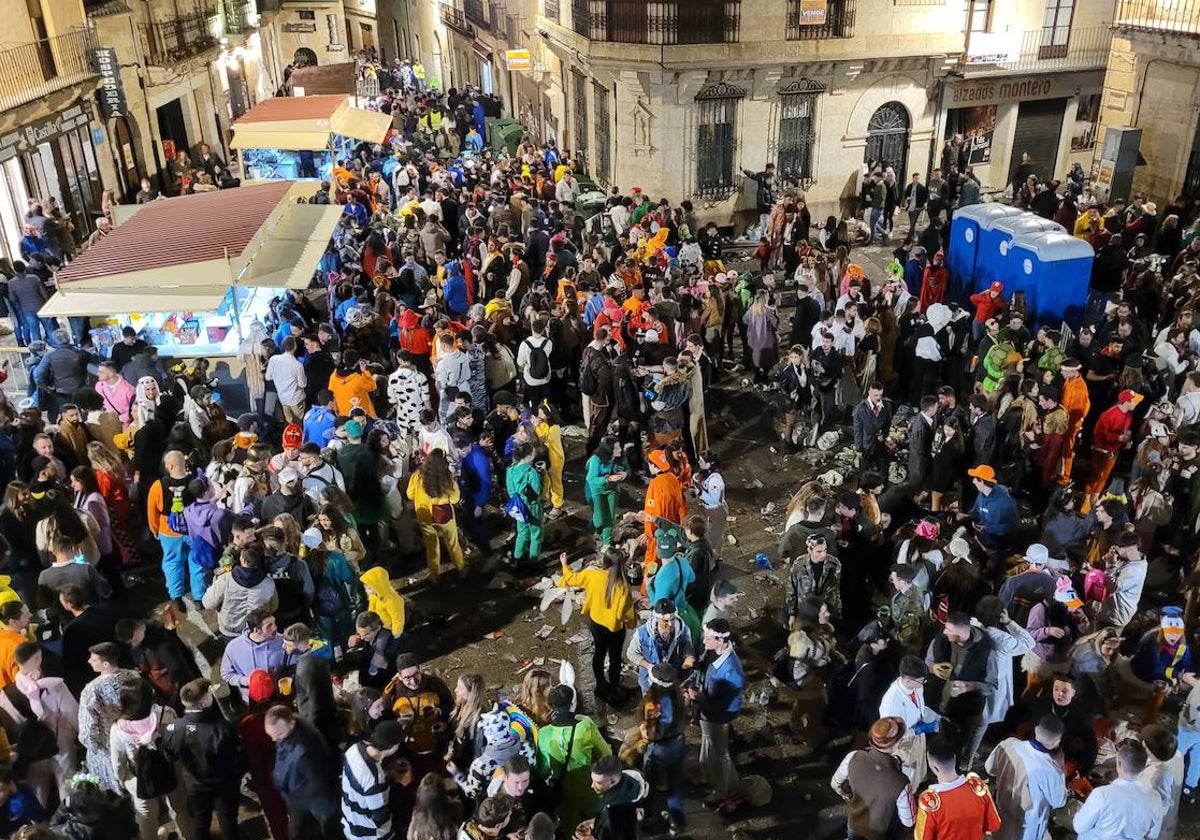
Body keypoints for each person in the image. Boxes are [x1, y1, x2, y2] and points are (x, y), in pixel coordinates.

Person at [161, 678, 243, 840]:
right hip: (223, 783)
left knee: (201, 823)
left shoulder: (175, 728)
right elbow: (236, 756)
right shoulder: (221, 728)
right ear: (204, 701)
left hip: (195, 785)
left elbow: (169, 754)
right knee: (228, 823)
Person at [557, 549, 636, 704]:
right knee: (615, 658)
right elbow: (625, 614)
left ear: (604, 562)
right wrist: (632, 622)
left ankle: (600, 685)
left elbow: (571, 579)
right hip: (615, 629)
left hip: (597, 624)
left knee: (599, 653)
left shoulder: (593, 576)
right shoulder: (623, 587)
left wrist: (564, 566)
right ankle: (614, 688)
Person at [686, 618, 744, 815]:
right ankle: (717, 778)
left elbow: (722, 705)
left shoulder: (732, 671)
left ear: (720, 640)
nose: (704, 641)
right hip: (708, 713)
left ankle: (724, 791)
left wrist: (699, 697)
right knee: (712, 747)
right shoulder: (714, 652)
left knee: (718, 755)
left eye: (708, 638)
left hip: (718, 717)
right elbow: (703, 668)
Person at [830, 717, 915, 840]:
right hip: (880, 834)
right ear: (897, 743)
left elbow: (835, 784)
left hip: (854, 825)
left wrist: (849, 796)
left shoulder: (853, 757)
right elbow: (909, 821)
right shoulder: (901, 782)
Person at [983, 715, 1067, 840]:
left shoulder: (1008, 744)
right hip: (1026, 828)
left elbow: (989, 768)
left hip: (1001, 814)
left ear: (1036, 730)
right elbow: (1059, 801)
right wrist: (1061, 767)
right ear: (1055, 742)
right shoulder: (1049, 770)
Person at [265, 704, 340, 839]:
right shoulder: (288, 728)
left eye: (278, 735)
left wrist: (291, 796)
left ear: (291, 724)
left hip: (312, 803)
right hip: (300, 797)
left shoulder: (306, 750)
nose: (275, 739)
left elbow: (317, 784)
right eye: (272, 736)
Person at [1073, 738, 1164, 840]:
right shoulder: (1155, 798)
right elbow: (1152, 835)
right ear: (1143, 766)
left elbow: (1079, 826)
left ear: (1119, 764)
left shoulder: (1101, 794)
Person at [914, 736, 1001, 840]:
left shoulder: (930, 803)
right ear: (954, 758)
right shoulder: (978, 787)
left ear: (934, 767)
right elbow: (994, 825)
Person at [341, 720, 404, 840]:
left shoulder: (354, 748)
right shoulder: (376, 779)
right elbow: (380, 818)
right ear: (392, 747)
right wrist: (402, 785)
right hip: (367, 834)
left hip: (349, 821)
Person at [220, 609, 286, 701]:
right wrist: (248, 681)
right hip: (251, 698)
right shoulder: (233, 647)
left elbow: (294, 665)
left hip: (278, 696)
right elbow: (227, 674)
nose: (275, 627)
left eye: (274, 622)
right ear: (256, 630)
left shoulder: (283, 642)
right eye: (269, 626)